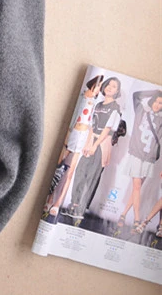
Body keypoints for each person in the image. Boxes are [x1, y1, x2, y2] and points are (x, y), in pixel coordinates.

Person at [64, 77, 122, 221]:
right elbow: (91, 125)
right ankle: (74, 203)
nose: (110, 87)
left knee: (91, 176)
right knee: (81, 171)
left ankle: (81, 209)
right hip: (91, 141)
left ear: (117, 91)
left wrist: (95, 146)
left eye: (114, 86)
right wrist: (88, 143)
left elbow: (108, 129)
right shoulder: (98, 105)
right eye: (108, 84)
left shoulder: (115, 108)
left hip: (102, 144)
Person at [47, 75, 104, 218]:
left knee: (70, 173)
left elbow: (91, 125)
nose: (99, 89)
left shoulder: (94, 102)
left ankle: (57, 203)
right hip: (72, 133)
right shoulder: (81, 97)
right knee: (58, 167)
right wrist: (67, 137)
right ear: (93, 84)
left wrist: (89, 142)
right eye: (99, 85)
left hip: (82, 137)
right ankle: (49, 199)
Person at [114, 90, 162, 236]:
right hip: (136, 154)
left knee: (137, 188)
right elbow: (136, 95)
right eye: (156, 101)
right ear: (152, 100)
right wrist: (155, 92)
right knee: (136, 186)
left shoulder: (161, 120)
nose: (157, 105)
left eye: (161, 103)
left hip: (149, 158)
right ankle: (137, 219)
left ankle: (123, 214)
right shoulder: (141, 110)